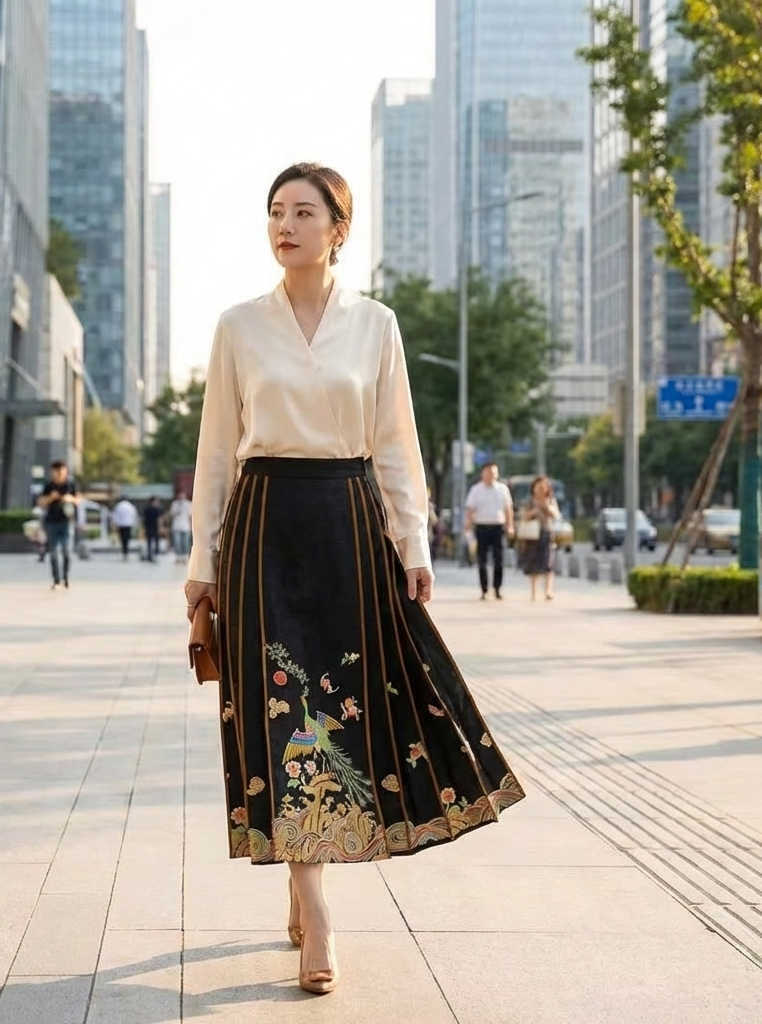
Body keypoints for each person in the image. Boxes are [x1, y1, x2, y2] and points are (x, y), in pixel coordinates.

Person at [184, 163, 524, 996]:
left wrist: (414, 545)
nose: (285, 224)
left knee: (342, 708)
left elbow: (396, 441)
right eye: (274, 212)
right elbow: (218, 454)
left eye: (304, 212)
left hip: (348, 521)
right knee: (279, 707)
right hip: (264, 528)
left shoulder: (376, 325)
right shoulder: (238, 326)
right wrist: (204, 566)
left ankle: (308, 875)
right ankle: (314, 897)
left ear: (339, 227)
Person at [464, 462, 515, 600]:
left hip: (498, 527)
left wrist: (510, 526)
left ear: (497, 474)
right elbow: (470, 509)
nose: (491, 475)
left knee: (499, 559)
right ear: (483, 473)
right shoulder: (476, 490)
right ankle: (484, 589)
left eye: (493, 472)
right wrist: (468, 525)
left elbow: (508, 509)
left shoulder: (502, 489)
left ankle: (497, 588)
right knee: (482, 560)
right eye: (488, 472)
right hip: (481, 527)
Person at [38, 461, 79, 589]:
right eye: (57, 472)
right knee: (53, 552)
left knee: (67, 551)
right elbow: (41, 503)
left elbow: (78, 500)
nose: (60, 475)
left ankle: (65, 577)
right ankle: (56, 580)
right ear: (53, 473)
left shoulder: (70, 484)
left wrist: (70, 499)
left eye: (63, 472)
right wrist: (51, 497)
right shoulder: (48, 486)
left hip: (66, 522)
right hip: (52, 522)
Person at [519, 476, 560, 601]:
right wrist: (534, 511)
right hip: (532, 535)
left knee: (548, 562)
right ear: (534, 488)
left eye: (544, 486)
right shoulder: (529, 501)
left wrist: (546, 507)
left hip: (547, 532)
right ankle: (533, 591)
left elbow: (556, 515)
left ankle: (548, 590)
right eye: (539, 486)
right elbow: (524, 516)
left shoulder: (550, 500)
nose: (541, 489)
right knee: (533, 563)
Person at [168, 490, 193, 565]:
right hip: (176, 526)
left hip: (185, 526)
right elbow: (171, 513)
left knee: (185, 543)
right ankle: (178, 557)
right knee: (177, 543)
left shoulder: (188, 504)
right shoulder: (175, 504)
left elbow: (191, 515)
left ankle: (184, 557)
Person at [111, 496, 139, 560]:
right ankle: (126, 551)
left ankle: (124, 550)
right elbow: (134, 515)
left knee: (122, 538)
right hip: (128, 524)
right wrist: (135, 523)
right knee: (127, 538)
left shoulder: (118, 506)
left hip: (121, 524)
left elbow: (115, 515)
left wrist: (115, 523)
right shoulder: (130, 506)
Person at [142, 497, 163, 562]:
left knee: (154, 541)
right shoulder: (151, 509)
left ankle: (153, 554)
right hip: (151, 527)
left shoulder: (154, 509)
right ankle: (151, 555)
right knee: (151, 541)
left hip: (152, 527)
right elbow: (159, 519)